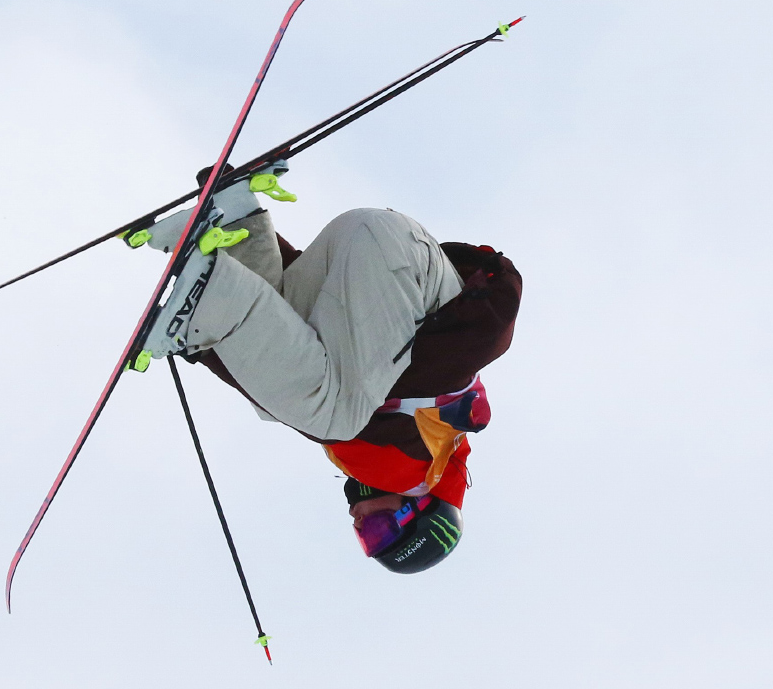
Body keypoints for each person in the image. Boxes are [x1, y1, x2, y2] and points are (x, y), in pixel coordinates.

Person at [138, 165, 522, 573]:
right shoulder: (414, 471)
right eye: (379, 530)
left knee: (298, 375)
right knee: (327, 414)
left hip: (376, 244)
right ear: (416, 509)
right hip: (405, 271)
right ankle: (210, 291)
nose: (359, 522)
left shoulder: (425, 432)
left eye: (365, 538)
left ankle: (233, 222)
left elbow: (287, 343)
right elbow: (297, 408)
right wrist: (195, 342)